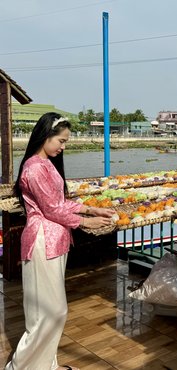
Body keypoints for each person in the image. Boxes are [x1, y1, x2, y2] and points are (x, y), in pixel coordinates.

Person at [6, 112, 115, 370]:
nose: (63, 147)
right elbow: (51, 209)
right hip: (42, 240)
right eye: (61, 141)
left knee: (48, 312)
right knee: (50, 312)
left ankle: (46, 366)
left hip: (55, 241)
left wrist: (90, 209)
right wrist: (86, 222)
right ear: (45, 135)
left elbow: (60, 202)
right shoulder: (33, 168)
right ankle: (22, 367)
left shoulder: (46, 165)